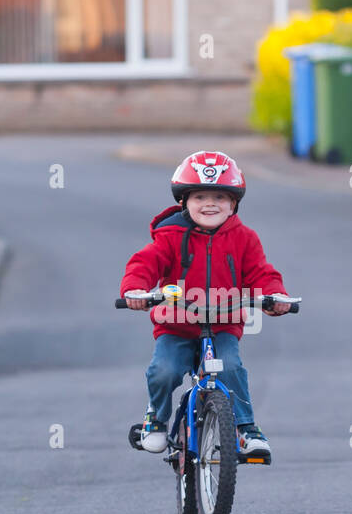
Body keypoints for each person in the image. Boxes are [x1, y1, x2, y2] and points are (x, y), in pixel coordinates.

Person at [120, 150, 290, 461]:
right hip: (177, 325)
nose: (209, 203)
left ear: (233, 204)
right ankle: (155, 418)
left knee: (231, 368)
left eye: (219, 197)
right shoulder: (169, 236)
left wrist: (273, 296)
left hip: (223, 324)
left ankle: (246, 429)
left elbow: (261, 273)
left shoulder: (245, 239)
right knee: (164, 370)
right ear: (183, 202)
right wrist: (135, 289)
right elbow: (145, 263)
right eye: (199, 196)